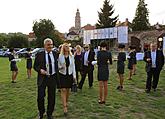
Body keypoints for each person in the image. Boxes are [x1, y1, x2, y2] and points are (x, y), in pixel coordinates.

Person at [34, 38, 58, 119]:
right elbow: (35, 66)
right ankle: (41, 112)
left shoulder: (55, 54)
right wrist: (40, 70)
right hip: (43, 78)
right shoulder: (39, 54)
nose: (50, 46)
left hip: (53, 78)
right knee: (40, 97)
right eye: (48, 45)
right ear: (44, 45)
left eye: (51, 44)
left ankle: (49, 113)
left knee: (52, 97)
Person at [57, 43, 76, 116]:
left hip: (70, 75)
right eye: (65, 47)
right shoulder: (60, 56)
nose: (67, 48)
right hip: (62, 75)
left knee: (68, 90)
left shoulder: (71, 56)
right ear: (63, 48)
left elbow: (73, 67)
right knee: (63, 90)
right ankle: (64, 107)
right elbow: (58, 67)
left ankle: (66, 102)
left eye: (67, 46)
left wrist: (74, 76)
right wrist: (61, 67)